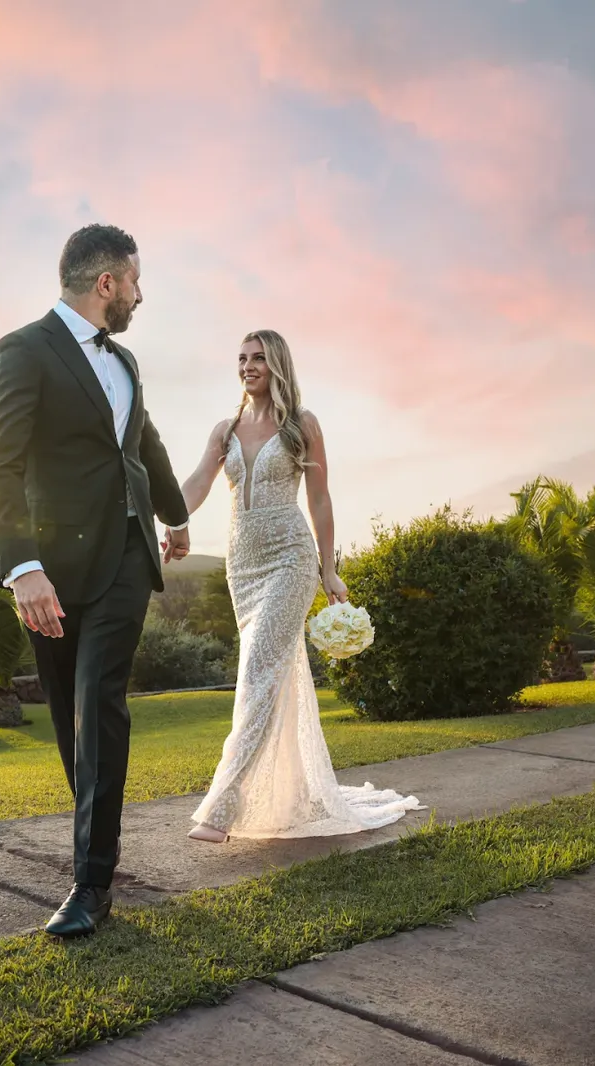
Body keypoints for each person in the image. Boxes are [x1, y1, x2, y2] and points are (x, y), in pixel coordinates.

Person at [0, 224, 190, 936]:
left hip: (127, 554)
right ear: (107, 284)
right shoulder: (23, 351)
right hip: (54, 566)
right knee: (72, 719)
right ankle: (95, 845)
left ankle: (91, 882)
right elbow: (0, 468)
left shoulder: (125, 362)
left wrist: (176, 514)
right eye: (134, 280)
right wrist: (23, 567)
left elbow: (143, 444)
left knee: (100, 703)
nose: (139, 293)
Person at [179, 330, 423, 842]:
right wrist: (173, 520)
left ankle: (224, 802)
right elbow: (200, 479)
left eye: (258, 358)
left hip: (290, 557)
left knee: (258, 669)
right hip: (242, 565)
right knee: (269, 672)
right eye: (241, 358)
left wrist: (327, 568)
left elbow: (321, 500)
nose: (247, 366)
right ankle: (283, 791)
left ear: (277, 364)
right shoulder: (225, 430)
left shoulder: (301, 425)